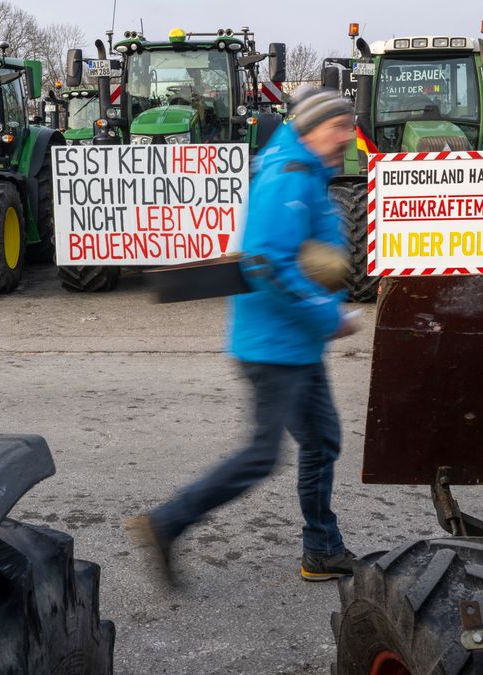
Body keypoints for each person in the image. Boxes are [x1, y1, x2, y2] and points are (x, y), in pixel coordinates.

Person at [126, 86, 358, 585]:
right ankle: (166, 523)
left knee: (321, 442)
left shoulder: (307, 173)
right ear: (313, 126)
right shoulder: (289, 176)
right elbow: (263, 263)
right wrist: (326, 314)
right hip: (275, 345)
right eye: (339, 125)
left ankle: (321, 548)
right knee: (260, 456)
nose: (347, 135)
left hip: (296, 342)